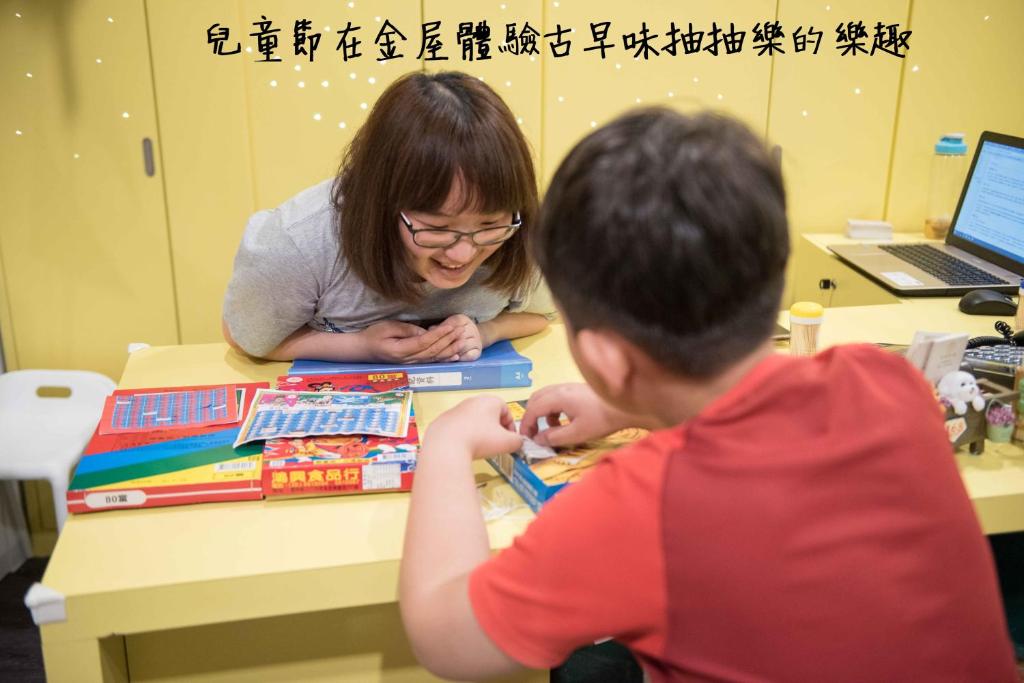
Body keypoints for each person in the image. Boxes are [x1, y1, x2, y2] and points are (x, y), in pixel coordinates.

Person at [398, 108, 1018, 681]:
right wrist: (630, 405)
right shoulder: (891, 383)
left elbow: (447, 640)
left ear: (607, 357)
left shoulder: (639, 507)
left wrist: (447, 444)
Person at [222, 71, 551, 362]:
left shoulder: (517, 231)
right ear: (382, 200)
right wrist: (357, 347)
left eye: (488, 225)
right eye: (437, 228)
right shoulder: (300, 242)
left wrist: (487, 331)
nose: (463, 255)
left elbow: (540, 315)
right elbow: (245, 337)